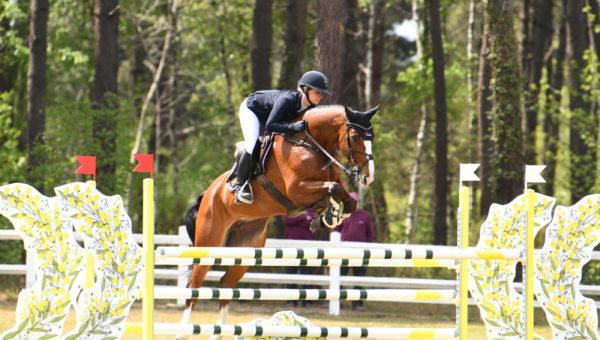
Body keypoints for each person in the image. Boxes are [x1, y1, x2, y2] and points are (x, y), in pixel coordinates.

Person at [233, 71, 332, 204]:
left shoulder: (312, 108)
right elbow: (270, 126)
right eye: (317, 92)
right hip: (252, 110)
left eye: (322, 93)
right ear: (306, 89)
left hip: (269, 116)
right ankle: (239, 186)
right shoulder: (287, 100)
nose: (320, 96)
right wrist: (292, 128)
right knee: (252, 145)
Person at [337, 192, 375, 310]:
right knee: (339, 276)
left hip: (360, 253)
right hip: (344, 252)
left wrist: (367, 251)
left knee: (359, 278)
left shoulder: (365, 216)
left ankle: (357, 304)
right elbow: (335, 232)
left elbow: (370, 234)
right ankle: (337, 301)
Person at [281, 208, 319, 307]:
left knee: (307, 274)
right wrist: (304, 217)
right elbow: (287, 220)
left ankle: (307, 301)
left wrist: (297, 218)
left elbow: (315, 223)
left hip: (309, 248)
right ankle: (291, 301)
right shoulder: (290, 207)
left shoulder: (313, 209)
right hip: (291, 247)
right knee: (291, 274)